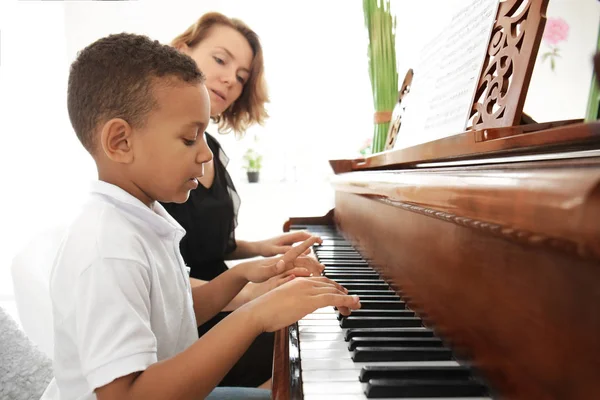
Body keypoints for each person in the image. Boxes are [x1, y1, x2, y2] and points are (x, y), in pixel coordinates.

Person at [45, 32, 360, 400]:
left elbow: (175, 314)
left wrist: (244, 276)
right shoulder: (108, 248)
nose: (207, 155)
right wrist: (255, 316)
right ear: (121, 142)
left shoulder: (142, 216)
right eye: (189, 138)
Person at [160, 12, 320, 388]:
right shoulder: (155, 155)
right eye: (220, 60)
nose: (231, 79)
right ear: (183, 51)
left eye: (242, 76)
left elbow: (202, 241)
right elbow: (158, 280)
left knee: (307, 329)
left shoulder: (209, 147)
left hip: (219, 295)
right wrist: (251, 292)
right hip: (193, 318)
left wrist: (260, 249)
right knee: (308, 347)